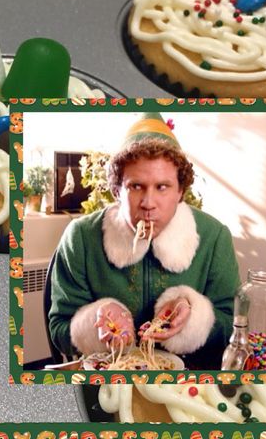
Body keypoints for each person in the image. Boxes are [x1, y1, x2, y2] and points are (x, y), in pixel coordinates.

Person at [48, 113, 240, 369]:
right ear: (117, 190)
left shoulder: (214, 237)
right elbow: (60, 328)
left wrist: (194, 317)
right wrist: (95, 324)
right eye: (136, 186)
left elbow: (232, 325)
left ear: (181, 191)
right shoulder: (81, 236)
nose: (148, 204)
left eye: (162, 187)